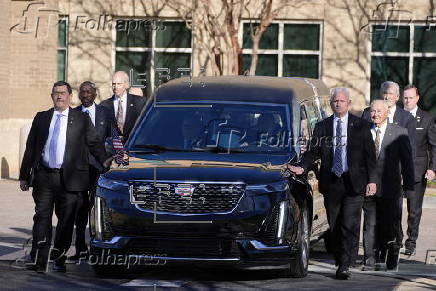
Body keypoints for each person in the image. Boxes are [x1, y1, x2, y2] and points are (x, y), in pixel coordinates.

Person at [19, 81, 112, 273]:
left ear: (70, 96)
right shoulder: (42, 118)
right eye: (55, 93)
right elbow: (31, 148)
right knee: (42, 218)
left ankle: (59, 257)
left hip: (70, 179)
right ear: (51, 96)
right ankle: (39, 259)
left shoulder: (81, 118)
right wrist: (24, 175)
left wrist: (104, 160)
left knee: (66, 221)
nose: (59, 96)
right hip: (45, 176)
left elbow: (94, 143)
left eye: (62, 93)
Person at [287, 88, 377, 280]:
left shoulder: (361, 126)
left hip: (354, 182)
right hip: (331, 183)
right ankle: (342, 258)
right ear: (331, 104)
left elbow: (370, 157)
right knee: (335, 225)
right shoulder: (322, 127)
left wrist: (373, 181)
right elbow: (313, 152)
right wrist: (302, 167)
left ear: (349, 104)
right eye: (335, 101)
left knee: (350, 223)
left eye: (342, 101)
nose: (338, 104)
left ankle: (344, 265)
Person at [362, 100, 414, 271]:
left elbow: (407, 162)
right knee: (370, 223)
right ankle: (370, 258)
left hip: (390, 188)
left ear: (386, 113)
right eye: (372, 111)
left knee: (390, 225)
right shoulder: (362, 132)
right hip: (368, 187)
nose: (375, 114)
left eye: (378, 111)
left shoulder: (399, 133)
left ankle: (392, 253)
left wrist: (409, 187)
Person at [68, 81, 114, 262]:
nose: (85, 94)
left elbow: (114, 137)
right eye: (83, 91)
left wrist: (115, 158)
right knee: (79, 209)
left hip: (99, 169)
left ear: (95, 94)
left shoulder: (105, 113)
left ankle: (97, 248)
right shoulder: (73, 114)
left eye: (89, 91)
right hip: (78, 170)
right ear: (79, 94)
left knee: (97, 209)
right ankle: (80, 249)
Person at [402, 85, 436, 256]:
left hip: (417, 171)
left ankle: (411, 241)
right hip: (396, 172)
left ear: (417, 98)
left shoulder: (427, 119)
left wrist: (432, 169)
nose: (407, 101)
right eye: (405, 98)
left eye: (410, 98)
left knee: (414, 210)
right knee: (393, 209)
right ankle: (395, 238)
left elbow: (433, 146)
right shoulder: (396, 116)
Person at [362, 81, 416, 157]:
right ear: (380, 95)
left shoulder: (407, 117)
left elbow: (411, 148)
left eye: (391, 94)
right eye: (385, 93)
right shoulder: (367, 113)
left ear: (397, 97)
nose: (387, 97)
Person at [100, 71, 146, 142]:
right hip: (112, 149)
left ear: (127, 85)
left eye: (119, 84)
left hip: (134, 147)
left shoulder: (139, 102)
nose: (115, 87)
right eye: (113, 84)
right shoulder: (104, 105)